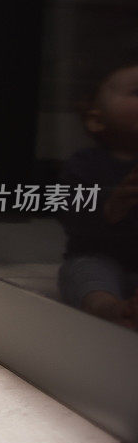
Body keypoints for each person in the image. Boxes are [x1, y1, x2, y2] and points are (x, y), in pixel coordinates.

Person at [58, 61, 138, 329]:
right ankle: (110, 309)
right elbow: (71, 217)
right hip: (99, 255)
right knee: (86, 274)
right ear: (96, 119)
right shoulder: (86, 164)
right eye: (136, 92)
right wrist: (111, 206)